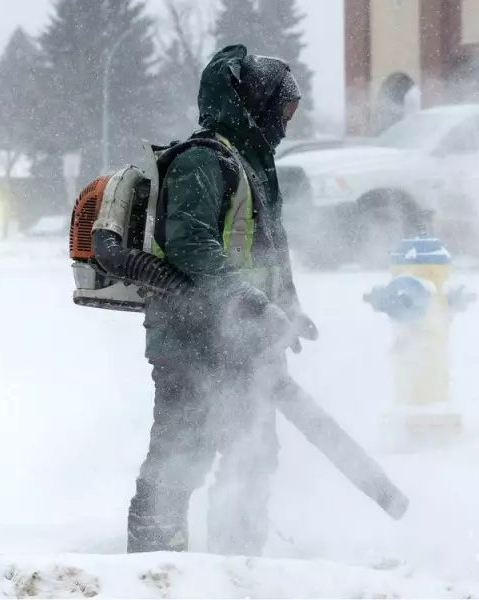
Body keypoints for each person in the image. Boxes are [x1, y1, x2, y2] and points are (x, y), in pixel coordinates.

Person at [127, 44, 318, 557]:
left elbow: (264, 251)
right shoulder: (203, 160)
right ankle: (153, 576)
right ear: (254, 104)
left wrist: (288, 310)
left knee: (251, 460)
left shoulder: (253, 167)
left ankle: (238, 573)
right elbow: (191, 244)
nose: (285, 123)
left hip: (246, 346)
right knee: (178, 459)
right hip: (192, 341)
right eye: (283, 110)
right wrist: (252, 304)